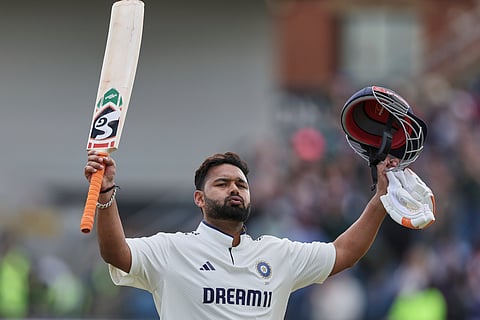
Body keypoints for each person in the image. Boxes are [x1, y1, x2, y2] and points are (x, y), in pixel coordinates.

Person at [84, 150, 397, 319]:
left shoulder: (278, 254)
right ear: (199, 199)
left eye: (241, 185)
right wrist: (106, 193)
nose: (234, 188)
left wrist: (381, 199)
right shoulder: (171, 249)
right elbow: (116, 254)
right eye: (221, 184)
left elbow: (344, 253)